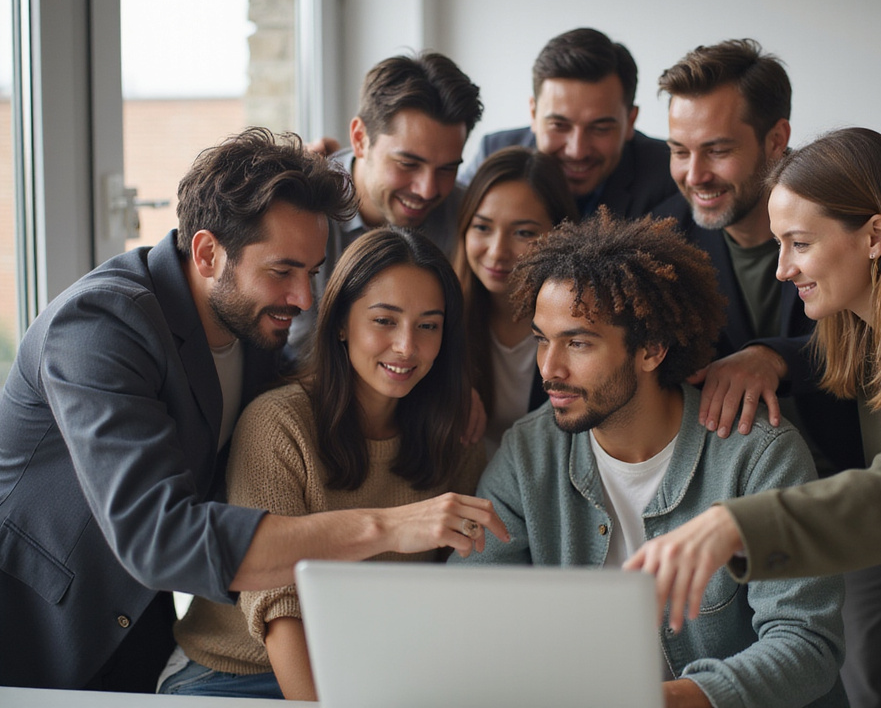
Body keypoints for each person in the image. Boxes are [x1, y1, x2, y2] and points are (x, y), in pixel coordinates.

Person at [0, 128, 505, 692]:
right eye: (282, 271)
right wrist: (388, 527)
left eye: (312, 273)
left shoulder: (255, 333)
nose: (305, 299)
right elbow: (159, 538)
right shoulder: (100, 327)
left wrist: (437, 389)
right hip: (35, 625)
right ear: (208, 252)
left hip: (139, 627)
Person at [626, 127, 881, 706]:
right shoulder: (866, 321)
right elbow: (813, 358)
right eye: (778, 245)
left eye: (800, 244)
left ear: (876, 237)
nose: (783, 269)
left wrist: (735, 525)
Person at [452, 208, 849, 708]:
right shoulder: (530, 451)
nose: (549, 369)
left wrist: (677, 699)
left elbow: (806, 644)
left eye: (577, 343)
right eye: (541, 340)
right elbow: (470, 601)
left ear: (651, 350)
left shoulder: (760, 454)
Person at [161, 227, 496, 700]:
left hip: (373, 672)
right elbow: (278, 609)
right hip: (238, 672)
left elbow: (456, 590)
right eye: (385, 320)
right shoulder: (279, 423)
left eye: (428, 325)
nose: (406, 346)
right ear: (341, 322)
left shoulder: (455, 435)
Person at [288, 51, 483, 353]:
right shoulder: (300, 210)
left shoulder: (468, 216)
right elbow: (298, 354)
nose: (428, 190)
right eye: (408, 163)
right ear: (360, 138)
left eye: (447, 168)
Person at [460, 27, 679, 219]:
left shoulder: (671, 172)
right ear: (533, 113)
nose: (577, 151)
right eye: (559, 125)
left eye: (600, 128)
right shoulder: (493, 155)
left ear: (630, 121)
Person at [452, 146, 579, 458]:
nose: (497, 252)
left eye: (523, 232)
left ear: (560, 235)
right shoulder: (439, 319)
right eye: (482, 227)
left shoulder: (584, 327)